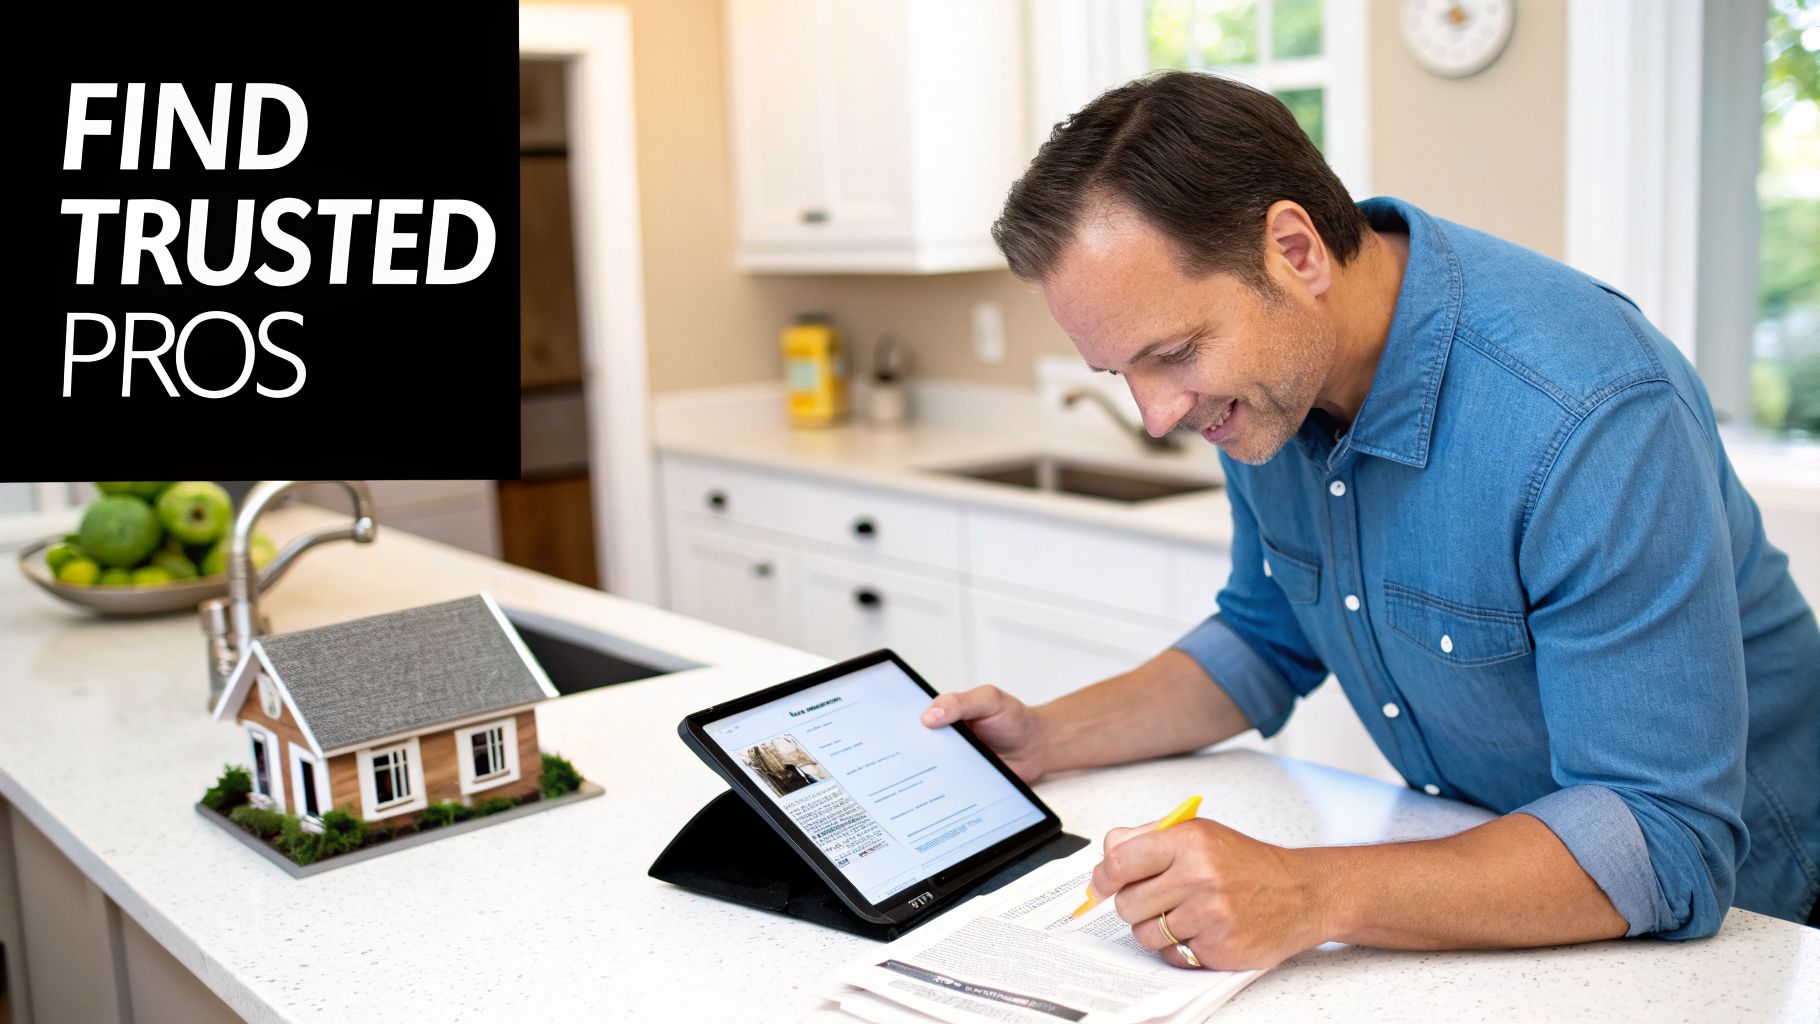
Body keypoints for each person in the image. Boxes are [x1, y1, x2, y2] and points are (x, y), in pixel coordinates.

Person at [922, 71, 1820, 969]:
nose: (1160, 415)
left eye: (1174, 353)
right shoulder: (1264, 392)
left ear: (1295, 251)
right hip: (1511, 899)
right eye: (1125, 373)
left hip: (1756, 930)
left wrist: (1307, 892)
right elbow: (1266, 632)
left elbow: (1664, 839)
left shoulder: (1584, 414)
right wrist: (1046, 737)